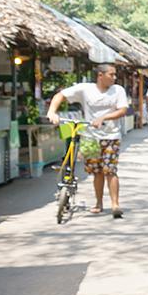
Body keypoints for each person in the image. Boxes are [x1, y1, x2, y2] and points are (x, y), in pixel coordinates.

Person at [47, 64, 128, 219]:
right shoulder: (85, 89)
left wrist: (103, 117)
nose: (114, 77)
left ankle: (115, 204)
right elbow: (60, 96)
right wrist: (52, 112)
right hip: (90, 137)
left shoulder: (118, 90)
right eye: (111, 74)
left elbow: (123, 110)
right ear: (100, 75)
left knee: (110, 170)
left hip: (111, 136)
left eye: (114, 74)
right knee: (96, 172)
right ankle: (98, 203)